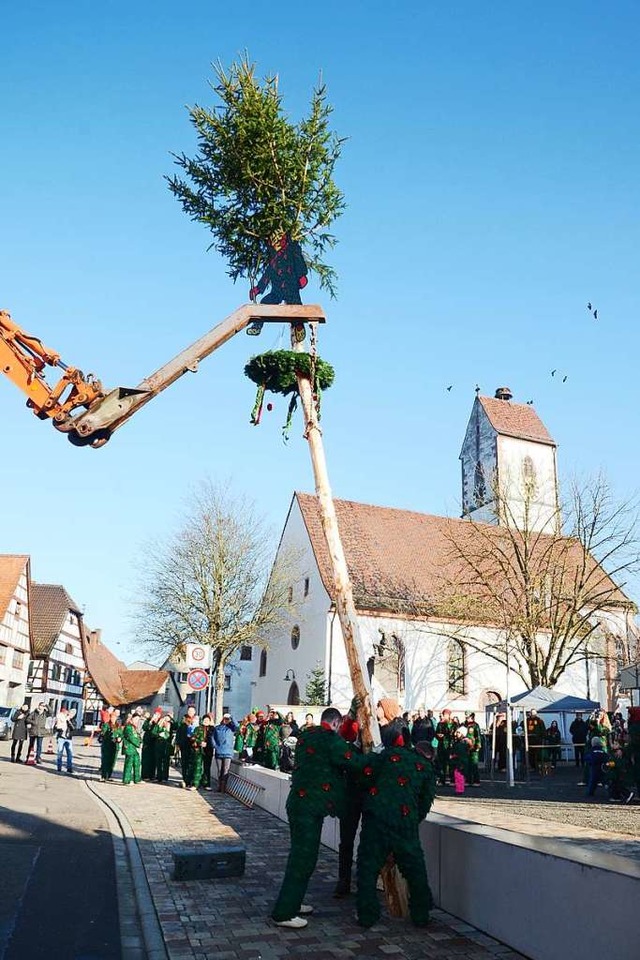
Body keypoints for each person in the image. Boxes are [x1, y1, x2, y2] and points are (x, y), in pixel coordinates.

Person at [271, 706, 367, 929]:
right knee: (302, 858)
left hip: (299, 803)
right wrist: (374, 755)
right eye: (339, 727)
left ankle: (295, 901)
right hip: (310, 808)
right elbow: (354, 761)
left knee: (305, 855)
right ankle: (284, 912)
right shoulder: (329, 740)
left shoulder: (307, 734)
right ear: (335, 724)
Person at [356, 739, 436, 929]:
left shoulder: (391, 754)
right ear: (429, 756)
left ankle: (366, 915)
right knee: (415, 870)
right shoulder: (426, 769)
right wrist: (410, 821)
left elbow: (367, 775)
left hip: (376, 817)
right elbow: (424, 805)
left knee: (367, 867)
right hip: (404, 822)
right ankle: (421, 914)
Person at [212, 714, 237, 792]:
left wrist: (231, 717)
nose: (225, 720)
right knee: (220, 770)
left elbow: (236, 725)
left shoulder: (231, 728)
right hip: (220, 751)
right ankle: (220, 786)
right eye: (225, 719)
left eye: (227, 719)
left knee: (225, 770)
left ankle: (223, 787)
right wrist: (215, 746)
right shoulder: (217, 728)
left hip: (227, 752)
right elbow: (212, 737)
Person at [435, 709, 456, 785]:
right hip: (441, 745)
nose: (444, 716)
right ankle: (442, 779)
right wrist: (438, 735)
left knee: (450, 763)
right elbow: (436, 733)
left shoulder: (453, 724)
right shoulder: (439, 724)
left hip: (450, 746)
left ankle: (451, 779)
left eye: (445, 714)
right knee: (441, 763)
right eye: (443, 714)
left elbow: (455, 734)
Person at [100, 708, 122, 781]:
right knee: (105, 761)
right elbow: (103, 733)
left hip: (115, 746)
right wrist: (108, 733)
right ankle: (103, 776)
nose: (113, 719)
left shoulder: (117, 726)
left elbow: (121, 734)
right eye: (112, 717)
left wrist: (119, 738)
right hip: (107, 745)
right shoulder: (106, 725)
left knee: (112, 762)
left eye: (115, 717)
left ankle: (108, 776)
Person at [141, 708, 163, 781]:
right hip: (147, 742)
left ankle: (152, 775)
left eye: (158, 714)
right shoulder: (149, 720)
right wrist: (150, 721)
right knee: (146, 759)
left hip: (155, 743)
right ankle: (145, 775)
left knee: (153, 760)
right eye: (155, 714)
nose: (156, 715)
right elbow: (144, 727)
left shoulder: (160, 722)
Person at [154, 714, 175, 784]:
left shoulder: (171, 725)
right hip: (159, 745)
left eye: (167, 719)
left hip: (167, 745)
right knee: (158, 761)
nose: (165, 721)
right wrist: (159, 726)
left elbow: (176, 726)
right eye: (164, 719)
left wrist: (172, 719)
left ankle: (165, 777)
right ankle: (159, 776)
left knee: (166, 762)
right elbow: (153, 733)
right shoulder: (159, 726)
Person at [122, 714, 142, 785]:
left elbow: (138, 736)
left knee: (137, 763)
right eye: (135, 719)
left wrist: (140, 741)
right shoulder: (128, 727)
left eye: (138, 720)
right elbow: (131, 737)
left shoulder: (134, 728)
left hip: (134, 749)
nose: (137, 721)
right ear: (131, 719)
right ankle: (126, 780)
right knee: (129, 764)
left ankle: (137, 779)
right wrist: (138, 744)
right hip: (129, 748)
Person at [54, 707, 75, 774]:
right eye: (64, 713)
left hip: (68, 738)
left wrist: (68, 721)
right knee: (60, 753)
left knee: (69, 753)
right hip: (61, 737)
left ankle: (69, 768)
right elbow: (55, 727)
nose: (65, 714)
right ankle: (59, 767)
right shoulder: (59, 718)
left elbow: (73, 728)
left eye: (66, 712)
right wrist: (58, 727)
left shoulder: (72, 720)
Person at [464, 712, 483, 785]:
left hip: (473, 747)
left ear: (472, 717)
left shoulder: (475, 725)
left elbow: (478, 736)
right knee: (467, 765)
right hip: (466, 747)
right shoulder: (464, 725)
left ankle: (476, 781)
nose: (466, 718)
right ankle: (468, 780)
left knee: (474, 764)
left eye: (468, 717)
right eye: (466, 717)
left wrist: (478, 746)